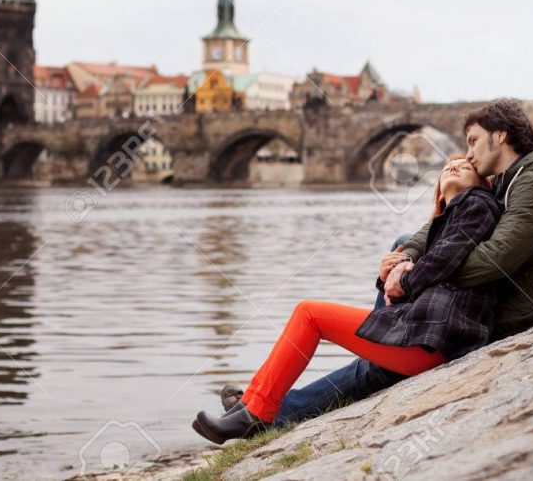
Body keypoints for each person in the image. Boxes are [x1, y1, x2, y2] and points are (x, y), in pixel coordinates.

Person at [219, 99, 533, 425]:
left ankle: (276, 408)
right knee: (399, 248)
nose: (468, 154)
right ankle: (380, 345)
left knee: (368, 358)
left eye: (473, 141)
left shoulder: (532, 183)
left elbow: (494, 261)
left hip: (524, 309)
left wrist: (418, 276)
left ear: (501, 136)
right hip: (494, 301)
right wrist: (407, 258)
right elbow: (432, 233)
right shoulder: (506, 181)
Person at [191, 155, 502, 444]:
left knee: (309, 315)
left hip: (430, 344)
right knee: (392, 256)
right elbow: (436, 263)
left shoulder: (476, 203)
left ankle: (254, 413)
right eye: (448, 165)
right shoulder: (446, 223)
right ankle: (254, 408)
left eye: (466, 166)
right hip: (424, 338)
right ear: (437, 193)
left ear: (482, 183)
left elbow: (442, 263)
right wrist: (391, 274)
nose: (454, 166)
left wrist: (402, 280)